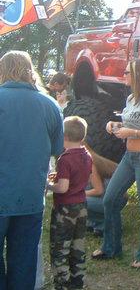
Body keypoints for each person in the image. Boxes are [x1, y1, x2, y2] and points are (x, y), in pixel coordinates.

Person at [0, 50, 64, 290]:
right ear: (30, 71)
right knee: (24, 261)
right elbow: (59, 150)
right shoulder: (50, 105)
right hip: (30, 196)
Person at [92, 59, 140, 269]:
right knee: (110, 199)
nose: (123, 76)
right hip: (129, 158)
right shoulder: (132, 98)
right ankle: (111, 247)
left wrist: (131, 132)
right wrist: (115, 125)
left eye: (126, 72)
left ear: (137, 75)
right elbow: (132, 123)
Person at [47, 116, 92, 290]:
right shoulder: (86, 155)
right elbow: (79, 178)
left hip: (64, 209)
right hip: (81, 206)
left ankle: (62, 284)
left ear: (63, 136)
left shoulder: (64, 159)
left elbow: (63, 187)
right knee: (77, 246)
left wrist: (49, 185)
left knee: (60, 248)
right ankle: (77, 283)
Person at [85, 146, 127, 236]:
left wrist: (77, 194)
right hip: (106, 198)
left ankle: (111, 224)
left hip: (115, 200)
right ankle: (99, 224)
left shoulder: (89, 162)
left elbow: (98, 190)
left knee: (75, 200)